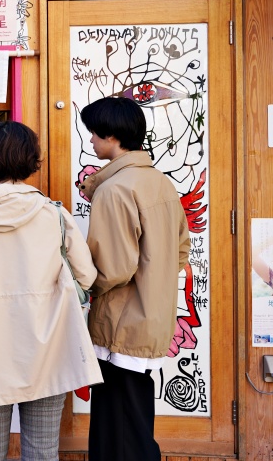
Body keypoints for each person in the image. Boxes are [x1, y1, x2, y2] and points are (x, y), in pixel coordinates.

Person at [0, 120, 102, 461]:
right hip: (46, 349)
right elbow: (86, 277)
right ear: (32, 160)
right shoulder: (53, 214)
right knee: (42, 452)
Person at [79, 97, 190, 461]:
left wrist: (84, 288)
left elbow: (112, 268)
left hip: (121, 323)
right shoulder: (158, 182)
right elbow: (181, 250)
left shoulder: (115, 189)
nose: (91, 141)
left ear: (111, 135)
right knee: (133, 418)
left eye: (94, 133)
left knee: (119, 426)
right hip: (150, 317)